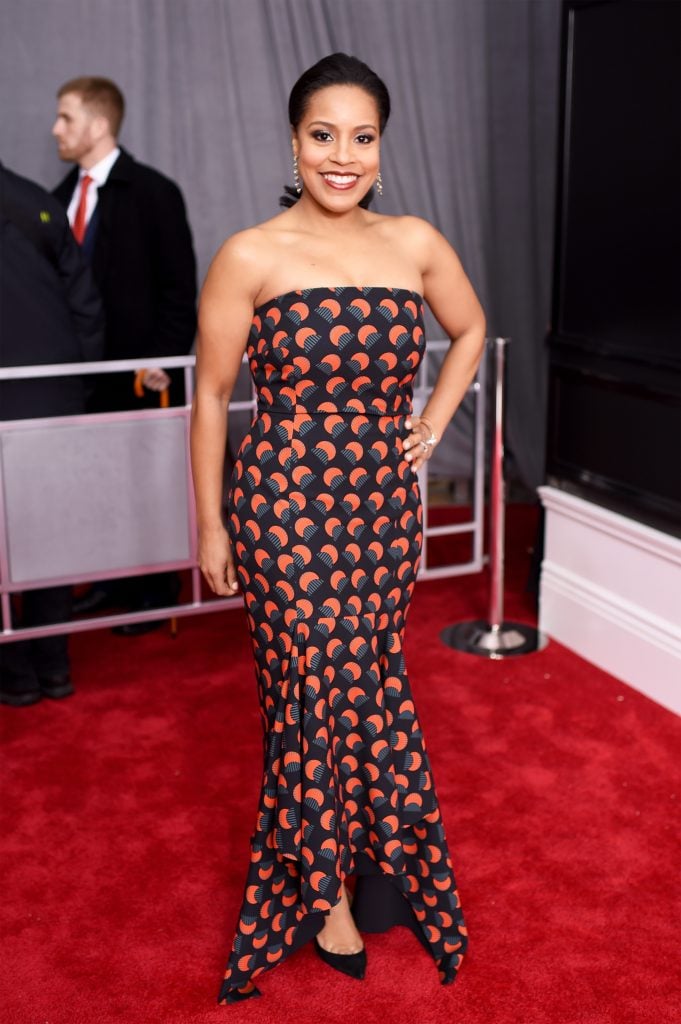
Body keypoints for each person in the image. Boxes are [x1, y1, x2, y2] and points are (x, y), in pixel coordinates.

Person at [191, 53, 486, 1004]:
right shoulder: (250, 253)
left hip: (382, 516)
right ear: (293, 140)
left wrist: (428, 429)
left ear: (381, 147)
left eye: (361, 137)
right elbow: (210, 397)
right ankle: (326, 901)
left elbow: (471, 330)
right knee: (310, 696)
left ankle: (370, 858)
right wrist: (211, 528)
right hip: (283, 512)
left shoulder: (414, 242)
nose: (342, 155)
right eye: (324, 135)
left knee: (368, 689)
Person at [51, 76, 197, 633]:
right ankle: (111, 580)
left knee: (146, 482)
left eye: (66, 117)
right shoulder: (59, 194)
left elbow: (178, 290)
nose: (56, 129)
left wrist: (162, 358)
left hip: (142, 374)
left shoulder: (154, 192)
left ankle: (153, 593)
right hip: (83, 374)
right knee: (96, 481)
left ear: (98, 124)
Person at [0, 161, 104, 706]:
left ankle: (15, 673)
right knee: (49, 536)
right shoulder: (35, 199)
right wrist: (77, 390)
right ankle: (54, 666)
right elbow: (85, 305)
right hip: (54, 400)